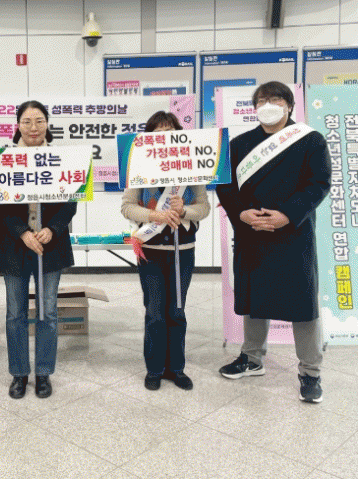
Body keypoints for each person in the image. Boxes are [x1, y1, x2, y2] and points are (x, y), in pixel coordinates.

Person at [216, 81, 330, 403]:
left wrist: (287, 215)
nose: (268, 105)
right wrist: (241, 213)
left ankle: (310, 372)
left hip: (293, 235)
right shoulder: (239, 144)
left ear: (289, 105)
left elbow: (318, 183)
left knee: (302, 305)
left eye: (276, 99)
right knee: (254, 297)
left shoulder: (310, 140)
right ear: (255, 107)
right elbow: (225, 185)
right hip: (252, 233)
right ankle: (252, 358)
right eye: (262, 100)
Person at [0, 100, 77, 399]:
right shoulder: (3, 159)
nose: (33, 127)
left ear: (47, 124)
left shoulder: (63, 158)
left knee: (48, 312)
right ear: (18, 125)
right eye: (27, 121)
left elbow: (71, 200)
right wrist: (22, 232)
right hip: (14, 245)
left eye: (39, 121)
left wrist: (52, 229)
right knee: (15, 313)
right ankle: (19, 373)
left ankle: (43, 373)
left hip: (50, 245)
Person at [121, 112, 211, 391]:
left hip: (183, 250)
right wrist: (155, 216)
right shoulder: (138, 169)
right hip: (150, 250)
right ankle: (154, 368)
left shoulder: (191, 168)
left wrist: (184, 211)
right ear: (148, 138)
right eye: (158, 133)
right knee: (155, 311)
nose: (164, 137)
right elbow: (127, 207)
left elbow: (204, 207)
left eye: (170, 132)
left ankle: (176, 368)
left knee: (177, 310)